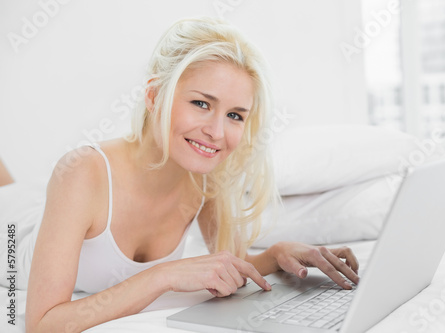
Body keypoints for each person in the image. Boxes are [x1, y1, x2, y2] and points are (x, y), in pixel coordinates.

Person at [0, 17, 359, 332]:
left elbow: (235, 264)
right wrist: (163, 276)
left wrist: (279, 253)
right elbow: (43, 324)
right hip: (12, 229)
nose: (217, 132)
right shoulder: (81, 171)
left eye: (235, 115)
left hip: (47, 205)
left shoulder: (205, 177)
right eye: (201, 103)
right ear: (155, 96)